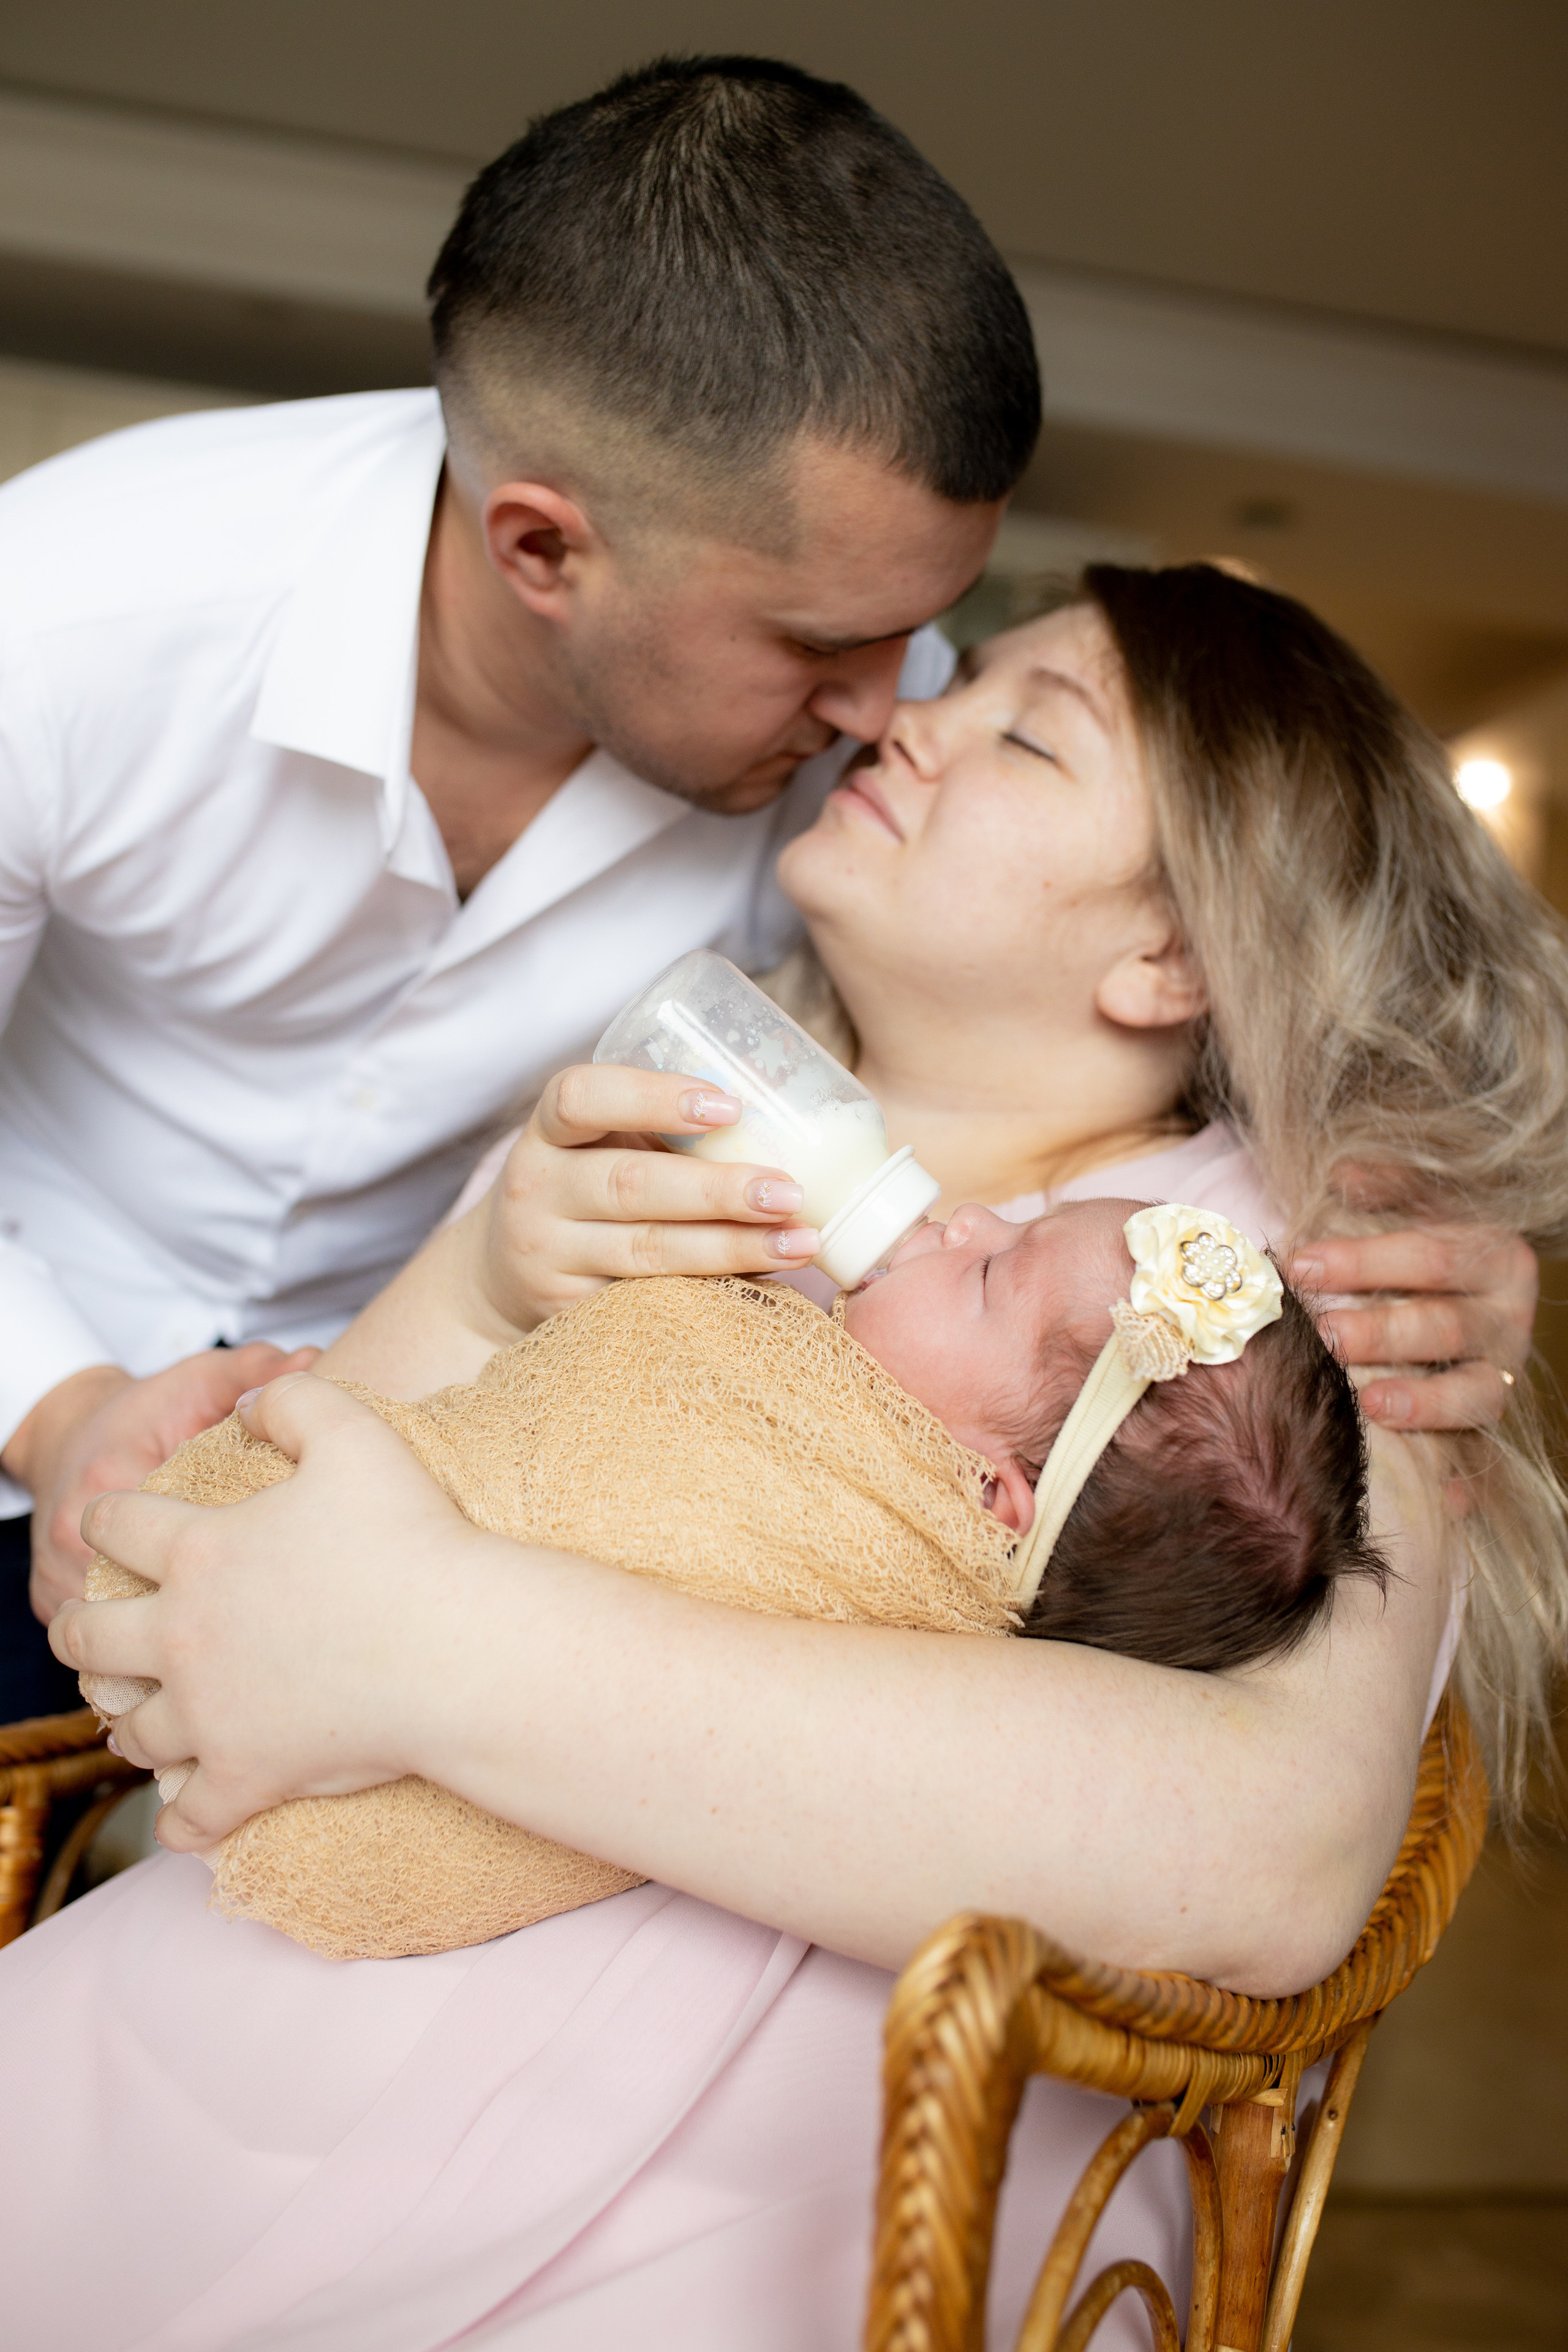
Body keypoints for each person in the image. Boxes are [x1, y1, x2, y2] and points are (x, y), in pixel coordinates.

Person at [23, 568, 1566, 2351]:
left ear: (1171, 952)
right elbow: (233, 1581)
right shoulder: (650, 1131)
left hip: (830, 2138)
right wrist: (459, 1286)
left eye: (1023, 733)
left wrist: (424, 1646)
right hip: (306, 1987)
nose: (903, 713)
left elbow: (1271, 1853)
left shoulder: (1278, 1286)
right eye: (957, 679)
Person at [0, 53, 1035, 1718]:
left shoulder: (888, 740)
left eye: (912, 633)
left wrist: (1381, 1206)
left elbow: (1144, 972)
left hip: (448, 1488)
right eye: (822, 647)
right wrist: (60, 1413)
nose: (892, 709)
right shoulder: (61, 621)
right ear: (543, 547)